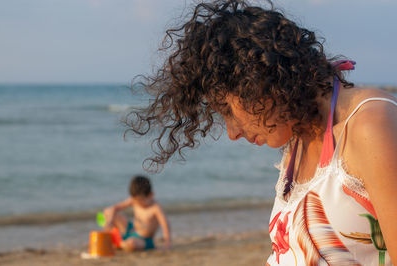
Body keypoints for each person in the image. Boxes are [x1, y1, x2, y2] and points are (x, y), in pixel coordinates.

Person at [125, 0, 397, 264]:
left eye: (227, 110)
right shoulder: (298, 138)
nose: (231, 133)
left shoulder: (368, 125)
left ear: (257, 81)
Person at [103, 175, 171, 251]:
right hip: (131, 230)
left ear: (151, 195)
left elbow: (165, 225)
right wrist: (110, 222)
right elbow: (114, 208)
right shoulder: (134, 200)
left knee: (132, 244)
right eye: (135, 200)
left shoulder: (155, 208)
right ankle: (118, 239)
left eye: (141, 200)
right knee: (107, 211)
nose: (138, 203)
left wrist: (167, 244)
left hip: (144, 239)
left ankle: (118, 242)